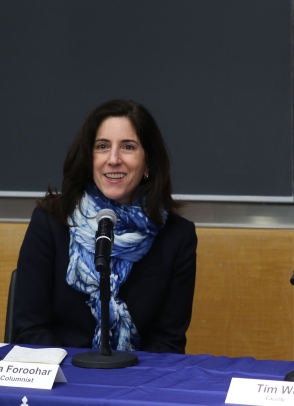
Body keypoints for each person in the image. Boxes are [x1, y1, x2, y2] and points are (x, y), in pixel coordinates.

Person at [12, 99, 197, 353]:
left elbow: (168, 342)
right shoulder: (51, 222)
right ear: (90, 158)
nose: (113, 159)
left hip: (136, 383)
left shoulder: (178, 237)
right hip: (62, 381)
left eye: (128, 147)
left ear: (148, 163)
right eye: (102, 146)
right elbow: (30, 329)